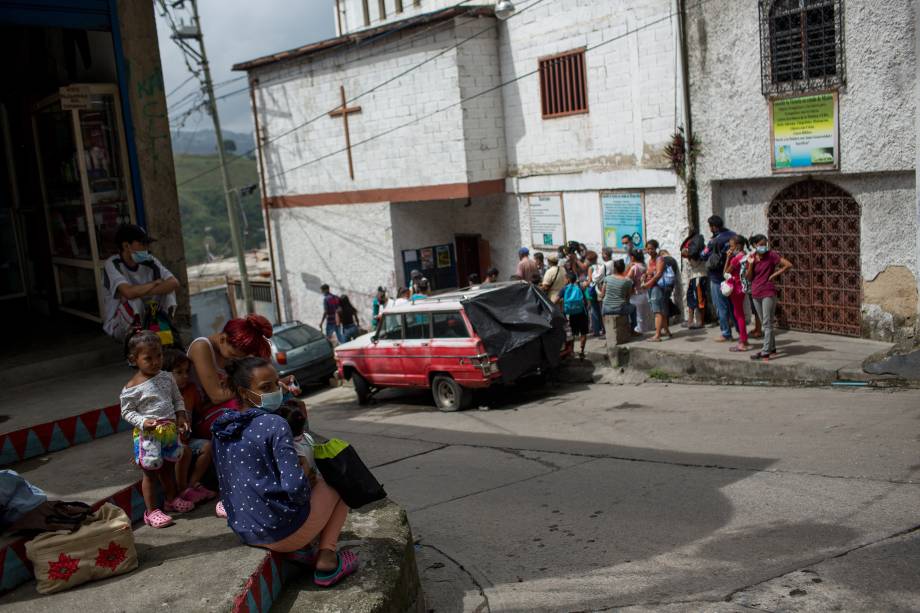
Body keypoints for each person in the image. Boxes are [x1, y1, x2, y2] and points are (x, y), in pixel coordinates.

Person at [212, 357, 357, 588]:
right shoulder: (275, 424)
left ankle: (304, 548)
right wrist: (308, 480)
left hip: (244, 530)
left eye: (275, 384)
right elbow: (295, 489)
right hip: (278, 533)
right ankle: (327, 558)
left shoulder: (223, 426)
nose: (275, 391)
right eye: (265, 388)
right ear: (244, 392)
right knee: (339, 482)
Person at [120, 331, 192, 529]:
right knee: (150, 474)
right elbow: (127, 412)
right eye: (148, 358)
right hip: (148, 437)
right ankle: (151, 512)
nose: (155, 362)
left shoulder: (167, 378)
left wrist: (181, 416)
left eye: (159, 356)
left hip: (169, 432)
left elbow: (177, 399)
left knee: (168, 468)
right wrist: (143, 421)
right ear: (133, 360)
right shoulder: (132, 388)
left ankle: (171, 499)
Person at [186, 314, 274, 440]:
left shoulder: (227, 353)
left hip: (214, 410)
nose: (235, 359)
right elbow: (217, 396)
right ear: (223, 338)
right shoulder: (202, 347)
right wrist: (254, 388)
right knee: (247, 404)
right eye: (233, 355)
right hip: (198, 419)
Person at [102, 224, 180, 344]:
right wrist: (154, 283)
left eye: (147, 244)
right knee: (133, 301)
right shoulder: (112, 263)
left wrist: (139, 292)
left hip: (148, 317)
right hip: (119, 326)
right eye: (142, 244)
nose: (146, 248)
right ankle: (139, 342)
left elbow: (174, 282)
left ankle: (165, 330)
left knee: (169, 292)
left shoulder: (150, 260)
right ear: (126, 246)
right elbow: (128, 293)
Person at [162, 348, 217, 506]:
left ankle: (192, 484)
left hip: (187, 439)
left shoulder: (191, 390)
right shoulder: (161, 396)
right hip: (166, 443)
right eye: (178, 372)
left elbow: (200, 411)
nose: (185, 376)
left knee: (208, 446)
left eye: (187, 371)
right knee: (182, 450)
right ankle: (183, 489)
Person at [746, 234, 793, 361]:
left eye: (765, 244)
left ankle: (765, 351)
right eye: (761, 244)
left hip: (768, 292)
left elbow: (788, 265)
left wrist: (774, 275)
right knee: (765, 323)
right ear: (755, 245)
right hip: (756, 293)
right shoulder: (751, 258)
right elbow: (749, 278)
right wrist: (750, 264)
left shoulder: (771, 255)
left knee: (767, 323)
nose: (763, 247)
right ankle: (772, 348)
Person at [703, 216, 737, 343]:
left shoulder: (715, 240)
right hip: (732, 275)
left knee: (721, 306)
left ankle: (726, 333)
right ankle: (740, 330)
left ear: (713, 227)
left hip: (717, 277)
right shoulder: (733, 235)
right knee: (734, 306)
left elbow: (703, 254)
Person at [276, 402, 319, 485]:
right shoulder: (307, 436)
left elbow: (303, 469)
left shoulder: (293, 446)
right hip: (316, 476)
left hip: (309, 484)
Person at [724, 235, 751, 352]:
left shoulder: (736, 259)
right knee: (739, 313)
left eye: (732, 246)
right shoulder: (745, 255)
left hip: (736, 287)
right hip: (742, 287)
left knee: (738, 314)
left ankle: (742, 342)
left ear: (738, 246)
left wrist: (727, 257)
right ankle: (744, 339)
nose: (730, 248)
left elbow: (725, 272)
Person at [642, 240, 674, 341]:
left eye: (651, 248)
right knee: (660, 310)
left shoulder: (659, 259)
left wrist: (648, 283)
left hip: (657, 287)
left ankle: (657, 335)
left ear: (656, 248)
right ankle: (667, 332)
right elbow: (649, 272)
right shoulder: (650, 260)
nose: (649, 251)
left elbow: (659, 274)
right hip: (651, 287)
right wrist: (645, 275)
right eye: (647, 249)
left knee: (657, 311)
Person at [681, 229, 708, 329]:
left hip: (699, 276)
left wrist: (688, 254)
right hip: (694, 277)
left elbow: (695, 261)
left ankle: (701, 322)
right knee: (690, 299)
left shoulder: (699, 254)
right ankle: (690, 321)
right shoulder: (694, 253)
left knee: (700, 300)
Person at [599, 260, 636, 325]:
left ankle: (606, 330)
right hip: (620, 308)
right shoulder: (628, 281)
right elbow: (628, 298)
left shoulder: (607, 278)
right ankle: (633, 329)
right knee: (633, 307)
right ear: (624, 269)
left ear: (614, 268)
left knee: (602, 307)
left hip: (606, 308)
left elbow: (602, 295)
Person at [562, 272, 589, 358]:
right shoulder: (580, 288)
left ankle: (572, 352)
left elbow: (556, 299)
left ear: (569, 280)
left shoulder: (564, 289)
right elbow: (586, 302)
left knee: (573, 333)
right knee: (583, 333)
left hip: (572, 315)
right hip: (582, 313)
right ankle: (581, 351)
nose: (564, 280)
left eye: (565, 278)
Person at [626, 250, 652, 333]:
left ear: (632, 257)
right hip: (645, 292)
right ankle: (646, 328)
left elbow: (627, 280)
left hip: (636, 293)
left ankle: (639, 330)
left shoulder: (634, 267)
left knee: (638, 315)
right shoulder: (644, 266)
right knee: (644, 313)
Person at [586, 251, 606, 337]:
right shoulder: (600, 266)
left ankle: (596, 330)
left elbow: (590, 281)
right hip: (599, 289)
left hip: (592, 291)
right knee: (601, 310)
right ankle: (604, 329)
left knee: (594, 310)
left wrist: (584, 284)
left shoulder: (591, 268)